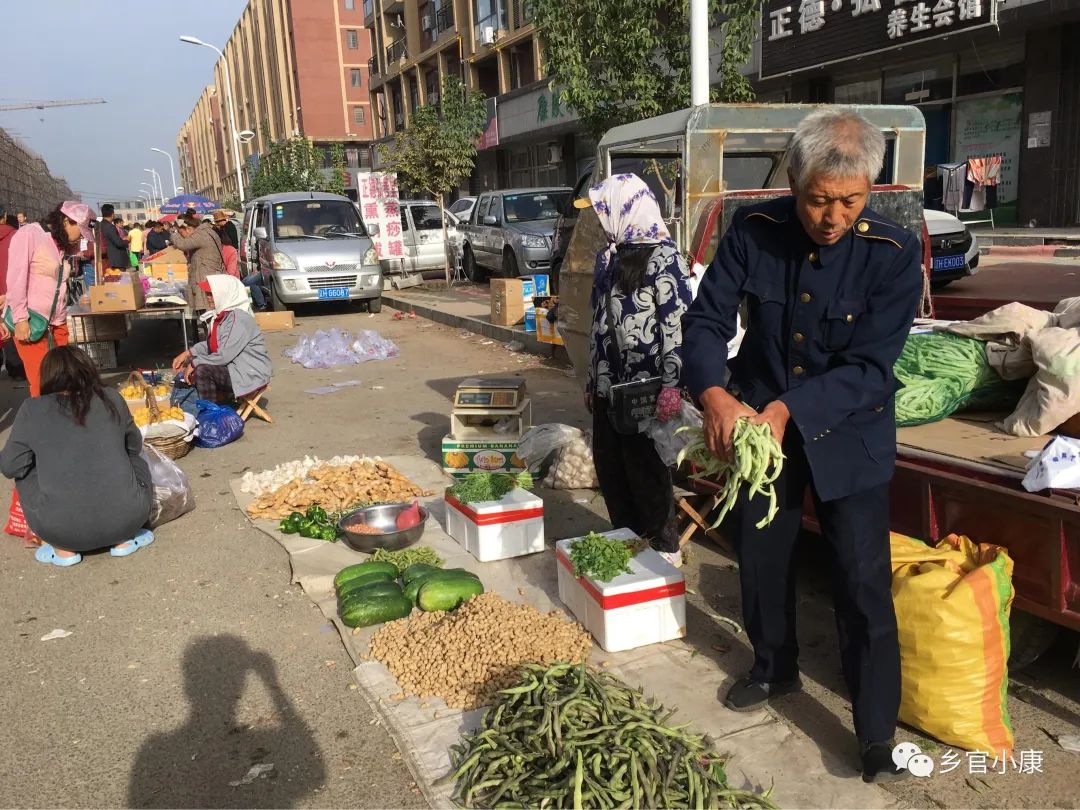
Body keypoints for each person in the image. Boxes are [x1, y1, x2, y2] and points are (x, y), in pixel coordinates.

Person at [681, 108, 923, 782]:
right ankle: (773, 666)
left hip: (850, 434)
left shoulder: (893, 254)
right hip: (761, 431)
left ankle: (875, 732)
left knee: (861, 580)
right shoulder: (753, 231)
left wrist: (789, 408)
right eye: (819, 200)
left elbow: (871, 368)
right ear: (793, 181)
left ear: (869, 190)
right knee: (762, 558)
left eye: (851, 201)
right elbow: (705, 320)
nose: (833, 216)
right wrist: (714, 392)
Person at [582, 174, 693, 567]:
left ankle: (664, 552)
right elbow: (599, 324)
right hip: (608, 387)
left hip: (647, 389)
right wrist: (592, 379)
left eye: (604, 212)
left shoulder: (665, 259)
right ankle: (626, 543)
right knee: (611, 468)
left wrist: (673, 385)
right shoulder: (610, 257)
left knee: (647, 470)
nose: (600, 222)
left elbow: (677, 326)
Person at [0, 345, 153, 566]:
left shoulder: (32, 409)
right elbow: (134, 445)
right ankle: (123, 540)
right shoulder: (111, 397)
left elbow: (10, 466)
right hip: (129, 520)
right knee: (133, 456)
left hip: (58, 531)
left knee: (23, 468)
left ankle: (64, 550)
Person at [6, 201, 92, 396]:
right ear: (66, 221)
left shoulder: (60, 243)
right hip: (33, 321)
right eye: (80, 231)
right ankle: (44, 414)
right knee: (41, 382)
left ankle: (64, 413)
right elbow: (16, 279)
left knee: (64, 380)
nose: (80, 237)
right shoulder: (29, 234)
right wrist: (20, 319)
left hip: (57, 322)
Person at [171, 274, 271, 403]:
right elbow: (213, 344)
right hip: (235, 366)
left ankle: (209, 410)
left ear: (225, 295)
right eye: (207, 294)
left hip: (249, 373)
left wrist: (194, 363)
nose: (208, 298)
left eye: (212, 294)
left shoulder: (238, 319)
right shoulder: (223, 316)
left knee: (202, 370)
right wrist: (188, 353)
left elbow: (224, 355)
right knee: (194, 361)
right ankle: (208, 401)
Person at [170, 213, 225, 312]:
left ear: (188, 229)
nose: (181, 235)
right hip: (212, 274)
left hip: (205, 276)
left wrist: (174, 234)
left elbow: (182, 244)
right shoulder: (207, 231)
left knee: (207, 309)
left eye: (180, 232)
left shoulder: (200, 235)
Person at [98, 203, 130, 277]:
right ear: (112, 214)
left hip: (108, 258)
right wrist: (127, 240)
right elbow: (118, 243)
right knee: (120, 280)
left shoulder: (99, 225)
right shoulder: (110, 226)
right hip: (116, 259)